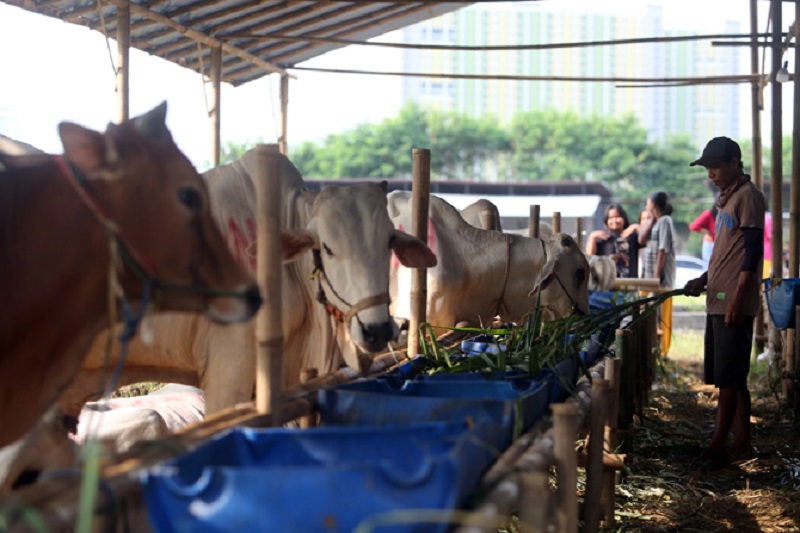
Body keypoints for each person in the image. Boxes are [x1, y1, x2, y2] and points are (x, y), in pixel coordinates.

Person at [684, 136, 766, 469]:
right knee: (731, 376)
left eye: (717, 166)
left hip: (732, 300)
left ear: (735, 163)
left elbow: (753, 251)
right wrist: (704, 279)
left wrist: (736, 297)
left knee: (728, 381)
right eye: (708, 168)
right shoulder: (726, 200)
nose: (712, 173)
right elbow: (726, 252)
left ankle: (717, 446)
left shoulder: (748, 197)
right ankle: (742, 443)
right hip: (718, 297)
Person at [584, 203, 642, 278]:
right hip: (607, 282)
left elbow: (646, 241)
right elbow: (590, 256)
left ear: (624, 218)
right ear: (606, 221)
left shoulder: (632, 237)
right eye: (610, 218)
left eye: (617, 216)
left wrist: (636, 227)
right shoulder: (602, 238)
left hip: (630, 282)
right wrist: (592, 237)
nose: (614, 220)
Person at [639, 191, 676, 289]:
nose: (646, 207)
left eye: (647, 204)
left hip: (660, 277)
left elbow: (662, 249)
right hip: (650, 275)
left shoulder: (665, 220)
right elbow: (641, 241)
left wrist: (657, 274)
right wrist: (651, 220)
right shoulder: (655, 222)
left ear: (653, 205)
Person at [689, 201, 718, 269]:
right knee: (708, 267)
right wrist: (708, 232)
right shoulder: (709, 214)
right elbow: (693, 226)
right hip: (710, 244)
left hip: (718, 245)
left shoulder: (725, 214)